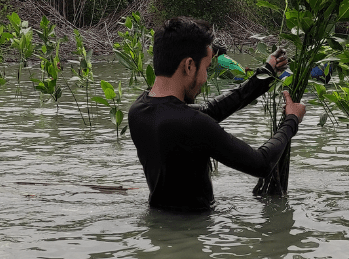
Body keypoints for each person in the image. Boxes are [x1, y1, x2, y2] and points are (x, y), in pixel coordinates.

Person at [128, 17, 305, 212]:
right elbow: (261, 164)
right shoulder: (192, 124)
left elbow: (211, 110)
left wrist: (266, 72)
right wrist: (292, 120)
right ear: (189, 65)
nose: (205, 78)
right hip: (197, 228)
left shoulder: (138, 110)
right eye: (206, 68)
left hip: (162, 224)